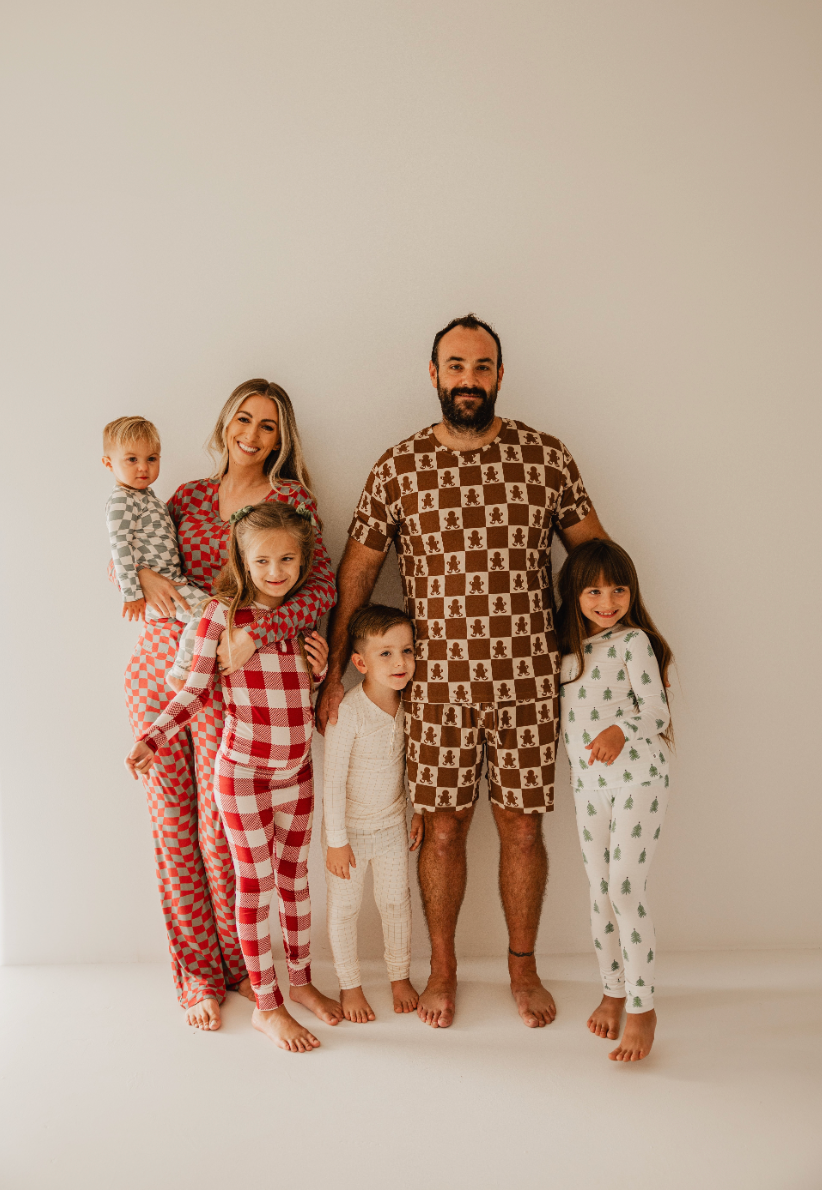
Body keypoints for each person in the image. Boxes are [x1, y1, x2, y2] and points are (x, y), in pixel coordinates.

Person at [316, 314, 608, 1029]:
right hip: (436, 685)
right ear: (434, 374)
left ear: (500, 374)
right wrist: (335, 674)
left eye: (482, 367)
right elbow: (357, 571)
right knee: (441, 830)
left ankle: (523, 967)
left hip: (528, 680)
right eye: (456, 366)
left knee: (521, 828)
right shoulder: (399, 465)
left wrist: (617, 661)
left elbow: (596, 558)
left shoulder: (546, 456)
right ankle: (441, 969)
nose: (469, 379)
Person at [123, 379, 336, 1031]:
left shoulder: (290, 499)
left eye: (268, 426)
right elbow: (127, 554)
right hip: (160, 664)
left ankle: (241, 969)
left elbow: (317, 586)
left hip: (230, 676)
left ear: (283, 439)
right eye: (243, 419)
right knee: (171, 823)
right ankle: (196, 979)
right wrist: (142, 576)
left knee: (220, 831)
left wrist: (259, 636)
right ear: (224, 423)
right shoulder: (183, 495)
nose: (252, 433)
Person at [556, 538, 673, 1061]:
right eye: (594, 591)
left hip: (639, 779)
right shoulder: (566, 653)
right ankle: (613, 989)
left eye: (618, 589)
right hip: (590, 787)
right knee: (600, 893)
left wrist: (620, 730)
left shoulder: (633, 644)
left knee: (626, 889)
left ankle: (643, 1007)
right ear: (574, 595)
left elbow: (657, 711)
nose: (608, 601)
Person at [322, 604, 423, 1023]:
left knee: (395, 902)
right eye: (386, 653)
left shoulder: (411, 706)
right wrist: (336, 842)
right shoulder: (348, 712)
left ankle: (399, 975)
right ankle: (350, 984)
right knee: (345, 908)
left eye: (407, 650)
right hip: (349, 834)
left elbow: (413, 765)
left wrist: (416, 811)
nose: (400, 662)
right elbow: (332, 781)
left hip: (392, 827)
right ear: (360, 662)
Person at [103, 416, 207, 633]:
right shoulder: (123, 499)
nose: (143, 467)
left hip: (172, 581)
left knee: (208, 618)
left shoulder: (148, 498)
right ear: (108, 463)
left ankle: (189, 664)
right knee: (212, 615)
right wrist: (131, 593)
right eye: (132, 459)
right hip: (157, 589)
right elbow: (119, 546)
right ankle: (183, 668)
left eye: (151, 459)